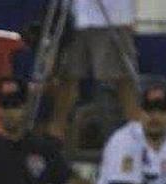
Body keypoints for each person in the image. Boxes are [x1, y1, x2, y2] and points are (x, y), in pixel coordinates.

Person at [47, 0, 139, 141]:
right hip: (72, 17)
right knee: (65, 77)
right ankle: (56, 135)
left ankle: (137, 132)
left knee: (122, 79)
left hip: (112, 17)